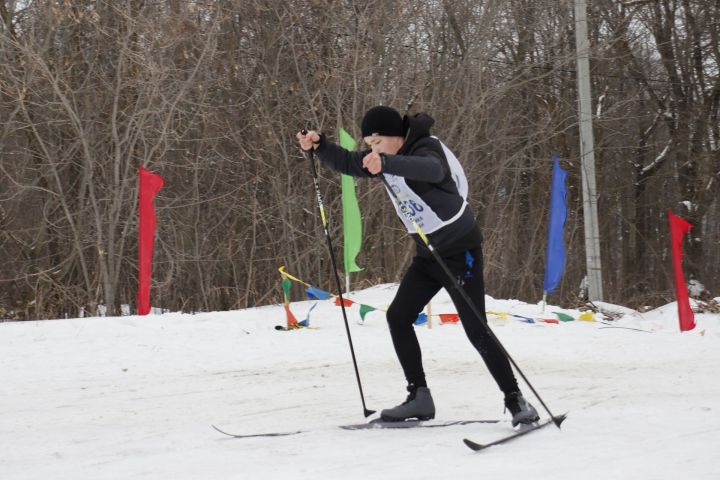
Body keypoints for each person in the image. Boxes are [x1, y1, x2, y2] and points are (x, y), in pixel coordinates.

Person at [296, 106, 539, 427]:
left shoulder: (426, 148)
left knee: (476, 329)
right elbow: (351, 163)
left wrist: (387, 162)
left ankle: (516, 400)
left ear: (396, 138)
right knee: (398, 317)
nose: (373, 148)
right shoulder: (383, 158)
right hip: (428, 256)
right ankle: (419, 397)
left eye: (378, 141)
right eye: (369, 142)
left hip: (460, 253)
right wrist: (320, 146)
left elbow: (432, 170)